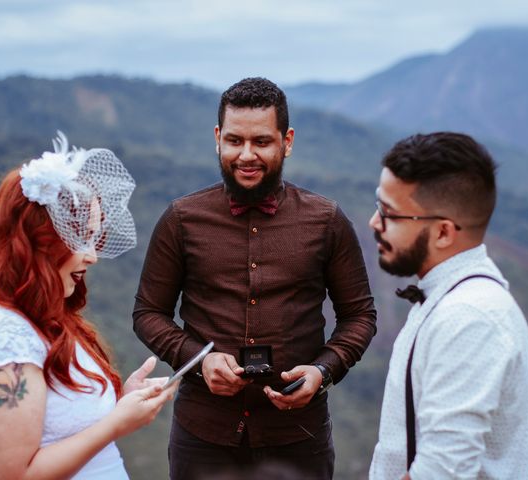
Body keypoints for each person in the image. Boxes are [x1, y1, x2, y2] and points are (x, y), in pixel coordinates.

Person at [133, 77, 377, 480]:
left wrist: (323, 371)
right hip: (202, 437)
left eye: (262, 142)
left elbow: (360, 316)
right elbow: (148, 313)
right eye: (234, 141)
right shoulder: (180, 220)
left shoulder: (327, 221)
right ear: (217, 138)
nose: (246, 155)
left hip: (299, 437)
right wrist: (200, 360)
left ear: (287, 140)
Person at [0, 132, 177, 479]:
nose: (92, 256)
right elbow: (12, 475)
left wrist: (120, 405)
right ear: (40, 241)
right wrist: (116, 425)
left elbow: (59, 426)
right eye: (81, 238)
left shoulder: (37, 318)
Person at [368, 132, 528, 479]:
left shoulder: (470, 317)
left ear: (443, 232)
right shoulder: (451, 299)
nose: (374, 222)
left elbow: (441, 470)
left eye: (390, 213)